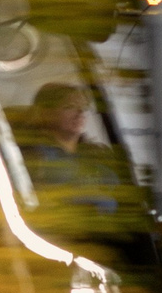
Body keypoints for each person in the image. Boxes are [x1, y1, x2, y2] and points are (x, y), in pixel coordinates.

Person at [19, 81, 126, 227]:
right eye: (69, 107)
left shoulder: (99, 152)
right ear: (45, 112)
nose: (80, 113)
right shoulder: (33, 154)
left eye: (83, 108)